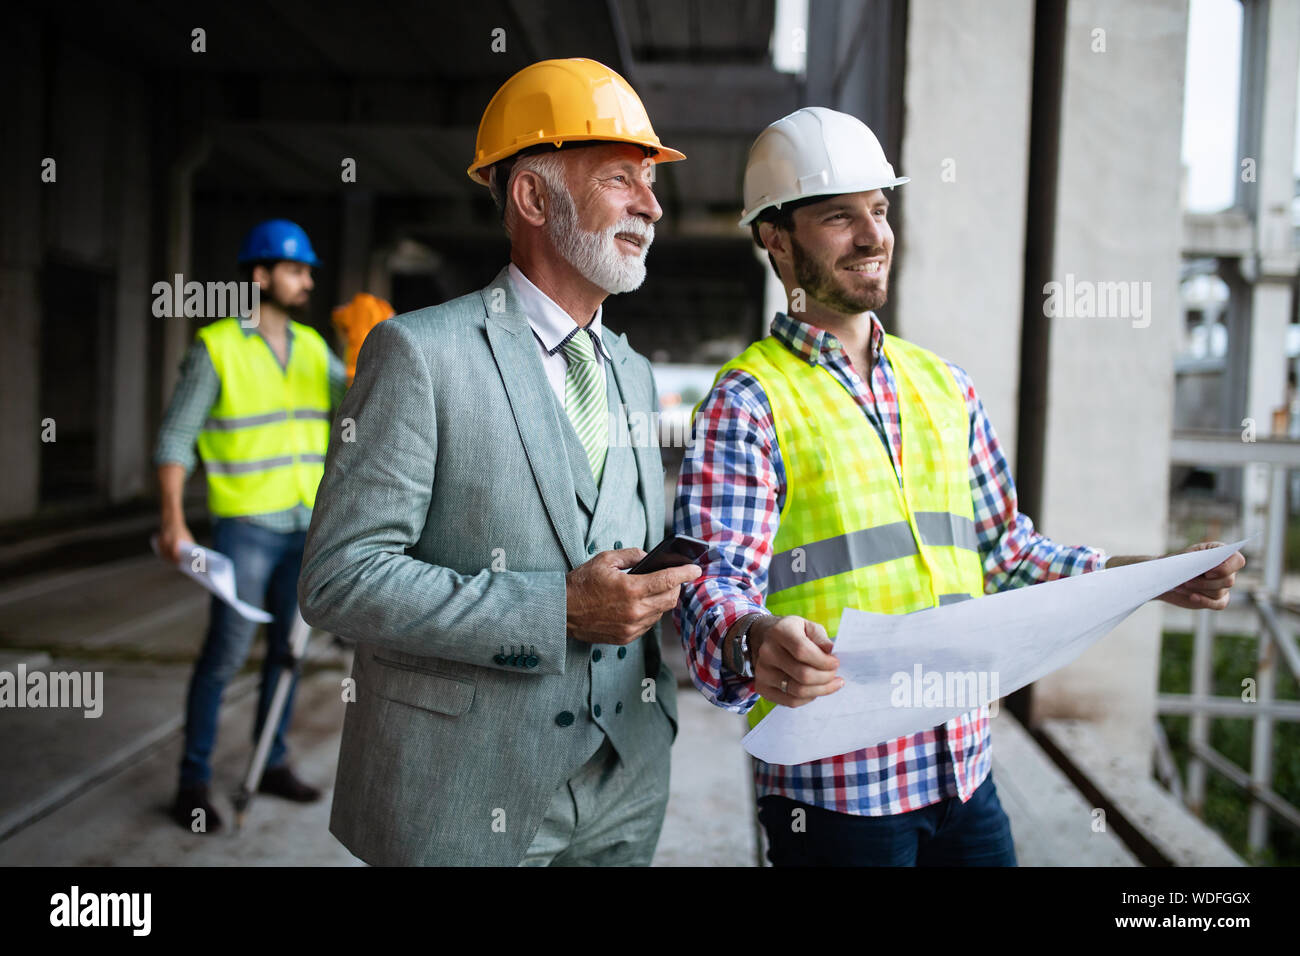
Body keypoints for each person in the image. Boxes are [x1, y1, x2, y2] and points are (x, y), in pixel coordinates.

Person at [673, 107, 1246, 867]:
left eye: (879, 210)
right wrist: (752, 637)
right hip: (838, 799)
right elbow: (710, 590)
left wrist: (1142, 577)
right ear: (774, 237)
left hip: (966, 773)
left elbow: (1008, 553)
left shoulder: (945, 387)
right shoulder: (748, 399)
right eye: (839, 217)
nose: (873, 235)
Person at [298, 58, 700, 866]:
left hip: (625, 785)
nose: (652, 205)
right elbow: (339, 580)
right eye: (622, 178)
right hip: (463, 791)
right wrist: (553, 610)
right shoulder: (419, 353)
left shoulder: (631, 371)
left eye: (649, 182)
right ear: (532, 196)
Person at [155, 219, 346, 832]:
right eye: (296, 270)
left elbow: (367, 398)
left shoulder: (316, 348)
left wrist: (374, 342)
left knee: (288, 654)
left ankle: (271, 761)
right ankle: (193, 781)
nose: (307, 281)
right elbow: (176, 438)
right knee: (225, 655)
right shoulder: (217, 347)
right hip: (246, 528)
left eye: (308, 271)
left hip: (303, 526)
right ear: (260, 275)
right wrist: (173, 522)